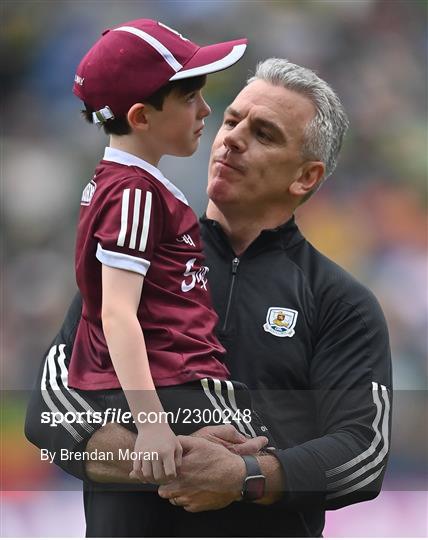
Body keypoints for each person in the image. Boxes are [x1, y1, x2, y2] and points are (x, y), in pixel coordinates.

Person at [25, 58, 392, 537]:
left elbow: (362, 453)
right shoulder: (130, 258)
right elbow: (51, 410)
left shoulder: (341, 303)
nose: (232, 138)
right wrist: (159, 459)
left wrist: (244, 477)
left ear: (305, 177)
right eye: (232, 120)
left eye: (264, 134)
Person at [64, 17, 274, 487]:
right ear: (140, 117)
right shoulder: (135, 193)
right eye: (188, 97)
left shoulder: (127, 184)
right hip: (168, 392)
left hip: (170, 391)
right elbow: (118, 313)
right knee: (278, 468)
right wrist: (154, 424)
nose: (205, 110)